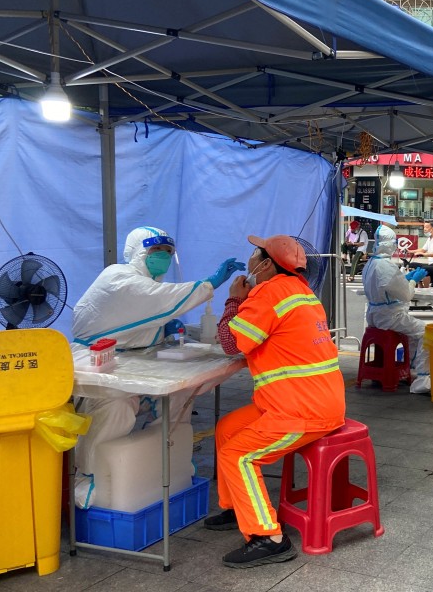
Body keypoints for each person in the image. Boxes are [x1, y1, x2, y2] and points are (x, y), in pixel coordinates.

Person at [71, 226, 245, 506]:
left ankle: (167, 469)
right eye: (155, 251)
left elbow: (142, 315)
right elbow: (155, 298)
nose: (162, 257)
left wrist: (164, 331)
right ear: (137, 253)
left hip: (129, 357)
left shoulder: (146, 284)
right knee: (115, 406)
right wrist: (210, 283)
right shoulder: (118, 278)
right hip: (95, 360)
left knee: (179, 395)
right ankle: (91, 485)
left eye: (167, 252)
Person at [205, 234, 346, 568]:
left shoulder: (268, 293)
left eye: (255, 253)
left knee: (238, 456)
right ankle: (237, 506)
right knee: (227, 429)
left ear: (267, 264)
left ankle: (269, 538)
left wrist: (233, 301)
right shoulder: (301, 292)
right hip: (311, 399)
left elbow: (230, 342)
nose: (250, 259)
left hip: (301, 409)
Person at [362, 225, 431, 392]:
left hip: (374, 315)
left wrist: (404, 278)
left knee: (413, 333)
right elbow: (406, 294)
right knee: (425, 331)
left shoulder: (370, 263)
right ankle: (422, 379)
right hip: (389, 316)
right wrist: (413, 281)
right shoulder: (386, 266)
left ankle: (410, 367)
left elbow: (387, 285)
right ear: (390, 244)